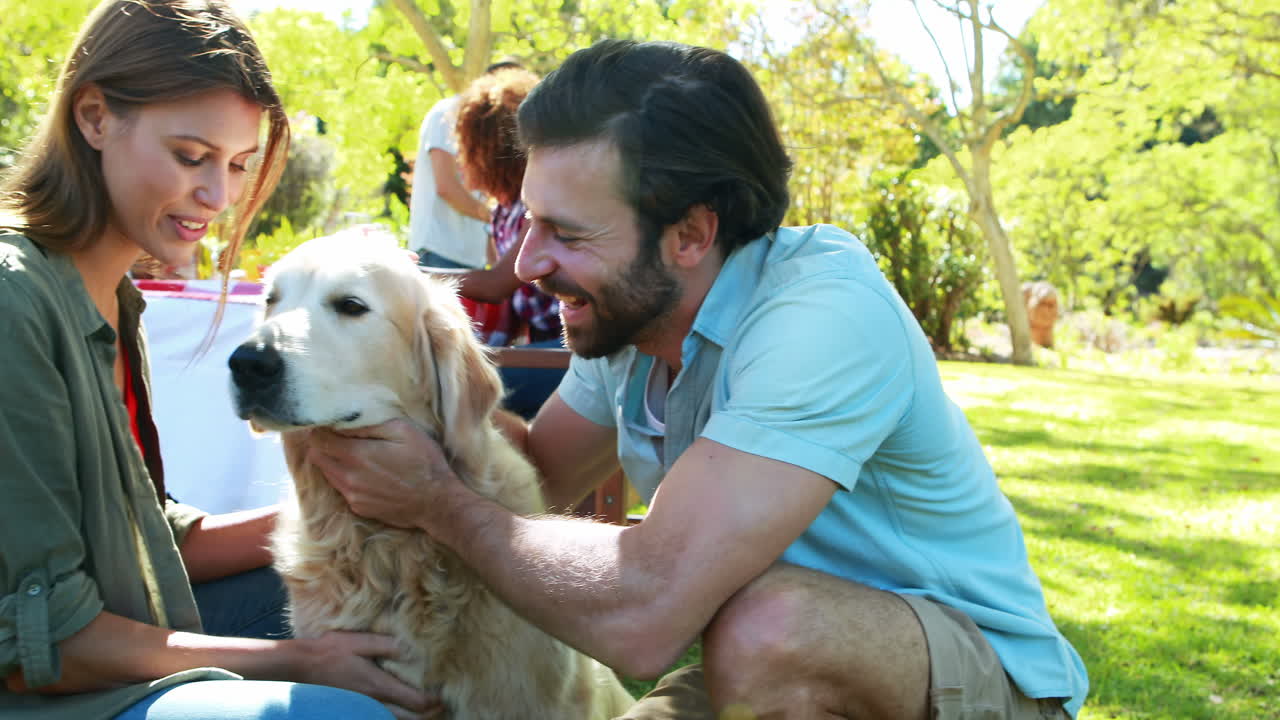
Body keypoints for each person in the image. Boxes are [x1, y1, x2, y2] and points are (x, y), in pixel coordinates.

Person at [303, 39, 1089, 719]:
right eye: (529, 221)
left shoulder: (821, 316)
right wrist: (405, 388)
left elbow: (645, 617)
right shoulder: (629, 318)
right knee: (763, 635)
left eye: (565, 233)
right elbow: (540, 473)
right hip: (769, 669)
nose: (529, 264)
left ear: (691, 234)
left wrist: (438, 502)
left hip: (976, 681)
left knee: (769, 627)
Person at [0, 2, 431, 719]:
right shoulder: (15, 299)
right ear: (95, 117)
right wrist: (300, 660)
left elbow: (149, 536)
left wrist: (355, 499)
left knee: (384, 596)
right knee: (343, 711)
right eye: (191, 157)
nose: (219, 197)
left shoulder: (113, 296)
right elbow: (47, 642)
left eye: (237, 164)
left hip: (110, 652)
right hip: (52, 695)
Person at [447, 66, 565, 419]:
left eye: (464, 146)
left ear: (486, 148)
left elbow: (495, 284)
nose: (459, 158)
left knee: (461, 389)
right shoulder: (502, 214)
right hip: (543, 349)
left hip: (573, 353)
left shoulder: (540, 207)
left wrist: (411, 276)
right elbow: (513, 312)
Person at [408, 60, 525, 270]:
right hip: (439, 252)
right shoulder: (448, 113)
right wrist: (499, 219)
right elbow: (447, 187)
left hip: (473, 260)